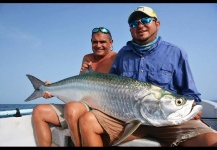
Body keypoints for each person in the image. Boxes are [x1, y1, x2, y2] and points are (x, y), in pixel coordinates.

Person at [74, 6, 217, 147]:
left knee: (211, 140)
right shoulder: (123, 54)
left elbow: (191, 94)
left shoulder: (176, 53)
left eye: (146, 20)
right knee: (87, 121)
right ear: (130, 29)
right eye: (134, 23)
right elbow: (110, 86)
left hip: (169, 121)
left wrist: (191, 107)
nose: (140, 25)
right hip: (129, 119)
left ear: (157, 24)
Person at [32, 27, 117, 146]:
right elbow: (79, 87)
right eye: (94, 42)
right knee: (38, 111)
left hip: (101, 108)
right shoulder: (87, 58)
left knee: (72, 109)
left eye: (102, 42)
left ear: (111, 43)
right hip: (84, 103)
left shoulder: (117, 58)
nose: (98, 45)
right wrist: (52, 90)